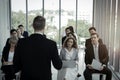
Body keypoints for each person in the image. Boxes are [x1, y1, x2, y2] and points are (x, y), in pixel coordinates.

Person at [13, 15, 62, 80]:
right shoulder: (51, 44)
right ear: (44, 27)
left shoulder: (21, 42)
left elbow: (16, 66)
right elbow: (58, 66)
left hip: (26, 77)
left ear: (33, 26)